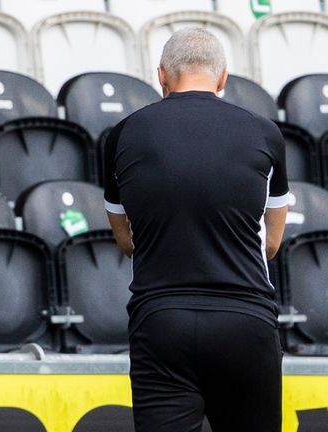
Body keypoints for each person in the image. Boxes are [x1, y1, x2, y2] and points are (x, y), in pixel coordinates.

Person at [104, 28, 288, 432]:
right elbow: (270, 244)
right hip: (245, 320)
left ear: (162, 77)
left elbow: (125, 239)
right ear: (222, 79)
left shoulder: (122, 135)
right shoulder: (265, 133)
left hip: (161, 319)